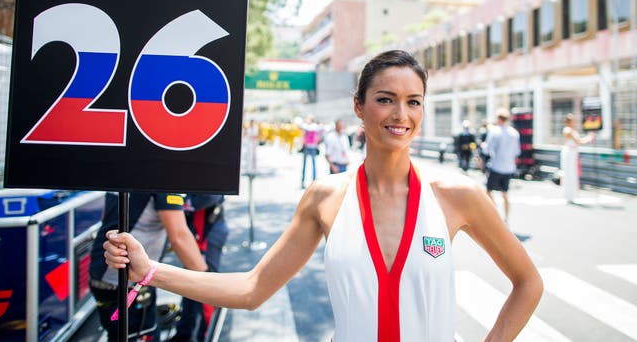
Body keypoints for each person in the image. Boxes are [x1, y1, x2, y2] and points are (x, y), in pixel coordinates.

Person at [103, 50, 543, 342]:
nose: (401, 114)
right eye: (386, 99)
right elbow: (253, 288)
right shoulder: (326, 197)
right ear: (358, 106)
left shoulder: (456, 196)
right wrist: (150, 270)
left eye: (414, 102)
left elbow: (528, 284)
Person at [89, 192, 207, 341]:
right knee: (142, 334)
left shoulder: (132, 171)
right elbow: (179, 237)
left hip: (109, 267)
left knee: (124, 333)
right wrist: (207, 276)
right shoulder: (163, 177)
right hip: (123, 276)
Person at [169, 194, 228, 342]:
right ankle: (185, 333)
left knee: (206, 285)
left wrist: (175, 202)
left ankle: (204, 336)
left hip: (206, 228)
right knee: (190, 283)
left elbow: (211, 195)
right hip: (196, 227)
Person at [484, 108, 521, 224]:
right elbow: (517, 152)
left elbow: (488, 150)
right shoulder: (514, 133)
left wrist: (483, 146)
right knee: (505, 193)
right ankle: (506, 218)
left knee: (489, 192)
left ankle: (496, 216)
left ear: (498, 119)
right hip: (509, 167)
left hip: (497, 166)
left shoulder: (494, 131)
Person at [560, 113, 595, 203]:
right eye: (571, 120)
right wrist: (589, 137)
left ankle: (573, 194)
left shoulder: (572, 130)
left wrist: (589, 137)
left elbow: (578, 141)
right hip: (569, 153)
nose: (573, 122)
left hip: (573, 153)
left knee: (573, 173)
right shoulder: (567, 130)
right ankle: (568, 195)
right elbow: (578, 141)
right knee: (568, 173)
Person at [300, 115, 322, 188]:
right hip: (308, 147)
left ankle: (313, 181)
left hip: (311, 147)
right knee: (306, 165)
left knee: (312, 165)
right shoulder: (310, 126)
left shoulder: (313, 126)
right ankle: (304, 181)